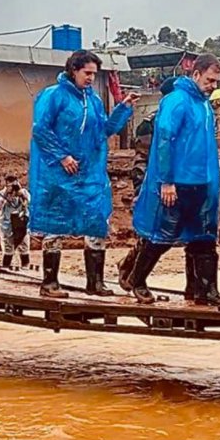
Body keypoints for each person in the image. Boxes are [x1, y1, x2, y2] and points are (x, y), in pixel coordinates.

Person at [125, 53, 220, 307]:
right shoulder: (177, 101)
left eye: (216, 81)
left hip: (202, 182)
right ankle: (137, 280)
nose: (213, 86)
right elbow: (164, 140)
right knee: (162, 235)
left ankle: (206, 290)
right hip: (178, 182)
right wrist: (166, 180)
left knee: (204, 236)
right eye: (209, 80)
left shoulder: (203, 104)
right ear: (195, 75)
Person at [29, 50, 136, 298]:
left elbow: (104, 130)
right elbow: (41, 130)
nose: (90, 78)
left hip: (89, 173)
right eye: (87, 73)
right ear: (73, 70)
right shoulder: (53, 96)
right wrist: (62, 156)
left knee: (96, 222)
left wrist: (124, 108)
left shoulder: (94, 100)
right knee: (54, 223)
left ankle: (95, 283)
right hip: (58, 175)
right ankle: (49, 283)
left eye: (93, 74)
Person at [117, 76, 198, 301]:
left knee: (190, 237)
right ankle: (132, 273)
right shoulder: (151, 124)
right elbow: (141, 159)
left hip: (187, 185)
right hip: (158, 186)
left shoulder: (193, 115)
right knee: (158, 234)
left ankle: (193, 288)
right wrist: (139, 191)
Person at [0, 175, 31, 269]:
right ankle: (6, 266)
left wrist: (21, 194)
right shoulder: (0, 194)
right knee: (8, 245)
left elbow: (29, 201)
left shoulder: (23, 192)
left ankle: (25, 265)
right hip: (6, 223)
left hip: (21, 222)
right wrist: (5, 196)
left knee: (24, 243)